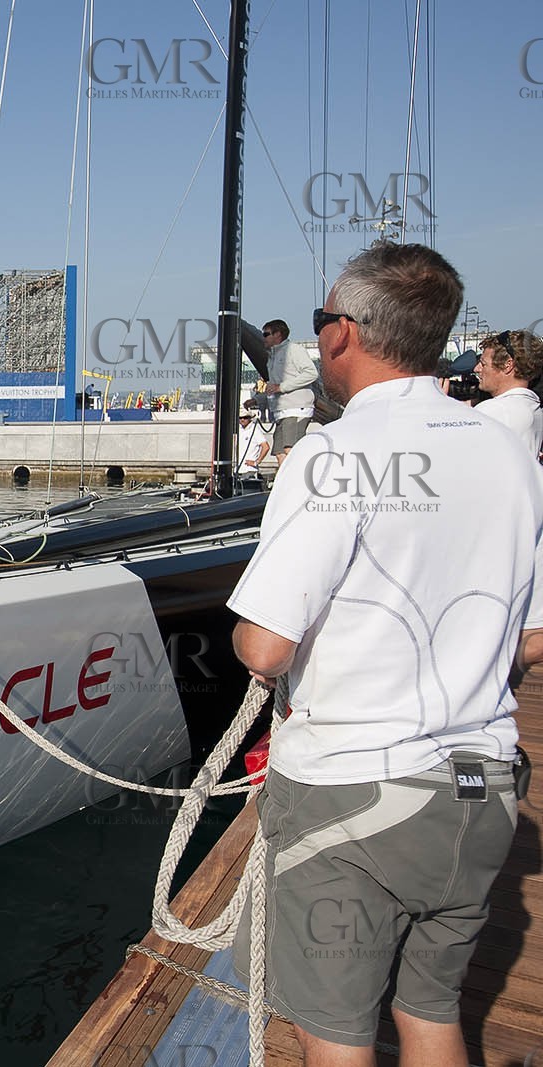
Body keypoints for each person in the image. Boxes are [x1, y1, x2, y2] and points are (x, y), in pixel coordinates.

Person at [228, 242, 543, 1064]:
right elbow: (532, 635)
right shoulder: (509, 452)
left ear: (345, 334)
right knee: (433, 1012)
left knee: (335, 1032)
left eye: (321, 319)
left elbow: (265, 646)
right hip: (481, 788)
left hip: (354, 793)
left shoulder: (333, 457)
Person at [472, 329, 543, 454]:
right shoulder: (535, 408)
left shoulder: (493, 411)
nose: (476, 369)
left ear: (507, 365)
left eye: (483, 364)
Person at [261, 319, 320, 465]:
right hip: (281, 411)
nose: (263, 337)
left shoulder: (294, 349)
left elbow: (312, 373)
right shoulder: (272, 357)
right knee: (280, 453)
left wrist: (282, 387)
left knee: (290, 449)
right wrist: (257, 400)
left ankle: (299, 483)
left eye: (266, 334)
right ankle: (284, 485)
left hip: (296, 408)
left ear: (278, 334)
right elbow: (273, 386)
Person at [235, 399, 271, 481]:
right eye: (240, 418)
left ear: (250, 418)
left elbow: (266, 447)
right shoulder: (239, 430)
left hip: (250, 470)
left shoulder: (255, 430)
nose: (242, 420)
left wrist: (256, 462)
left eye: (245, 417)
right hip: (239, 469)